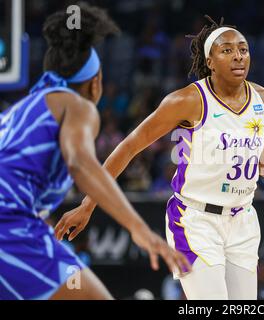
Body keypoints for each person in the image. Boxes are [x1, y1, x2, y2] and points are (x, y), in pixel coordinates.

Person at [55, 16, 264, 300]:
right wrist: (87, 204)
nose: (238, 56)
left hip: (242, 221)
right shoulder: (186, 101)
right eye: (227, 50)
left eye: (243, 49)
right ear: (210, 61)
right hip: (194, 221)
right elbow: (129, 146)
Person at [0, 3, 190, 300]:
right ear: (95, 82)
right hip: (9, 228)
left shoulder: (19, 111)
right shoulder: (77, 106)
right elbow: (80, 162)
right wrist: (138, 228)